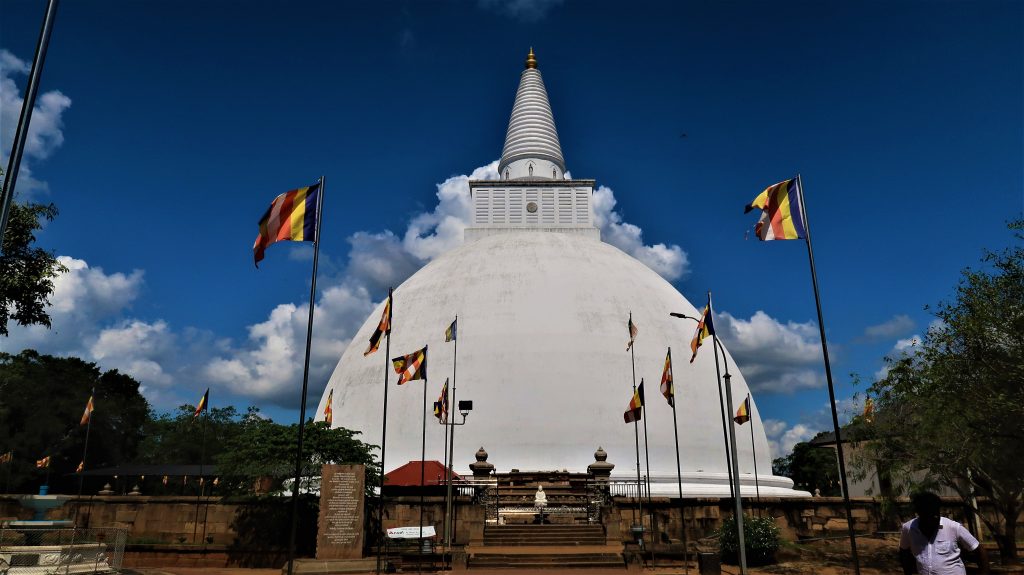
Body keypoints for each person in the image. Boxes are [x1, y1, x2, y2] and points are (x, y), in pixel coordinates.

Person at [899, 491, 989, 575]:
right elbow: (904, 552)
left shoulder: (953, 527)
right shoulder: (908, 529)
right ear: (919, 514)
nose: (935, 518)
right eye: (930, 516)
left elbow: (979, 551)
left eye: (937, 514)